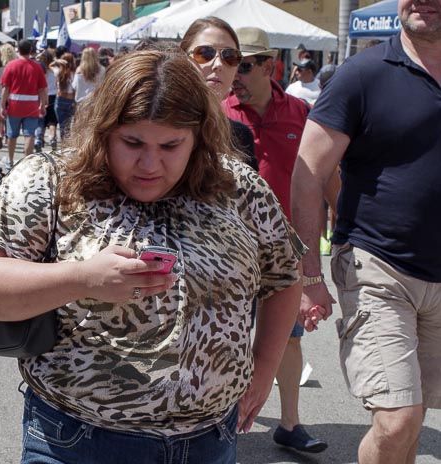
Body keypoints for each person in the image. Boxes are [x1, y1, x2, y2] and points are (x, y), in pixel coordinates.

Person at [0, 50, 305, 463]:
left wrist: (263, 369)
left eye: (170, 145)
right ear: (104, 130)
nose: (149, 163)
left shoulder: (237, 187)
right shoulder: (49, 178)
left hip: (208, 443)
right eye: (133, 142)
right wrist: (83, 278)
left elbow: (284, 277)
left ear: (199, 136)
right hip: (77, 440)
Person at [291, 0, 441, 461]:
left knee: (412, 417)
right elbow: (308, 174)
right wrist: (309, 276)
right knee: (397, 418)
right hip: (376, 266)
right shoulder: (362, 74)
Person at [222, 27, 327, 454]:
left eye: (243, 65)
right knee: (225, 339)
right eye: (230, 64)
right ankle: (219, 423)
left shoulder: (300, 112)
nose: (234, 75)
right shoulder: (217, 113)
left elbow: (323, 178)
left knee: (288, 337)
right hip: (227, 250)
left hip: (284, 252)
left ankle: (289, 423)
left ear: (270, 66)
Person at [179, 17, 257, 170]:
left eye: (230, 56)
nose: (218, 64)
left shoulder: (240, 135)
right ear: (182, 59)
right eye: (204, 53)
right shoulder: (161, 122)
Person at [0, 39, 47, 167]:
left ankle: (10, 160)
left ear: (18, 50)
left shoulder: (11, 65)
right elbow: (42, 89)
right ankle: (27, 162)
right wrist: (43, 104)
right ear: (31, 50)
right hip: (31, 105)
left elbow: (5, 88)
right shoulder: (37, 67)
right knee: (29, 134)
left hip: (14, 104)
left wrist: (2, 105)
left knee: (12, 135)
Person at [34, 50, 58, 151]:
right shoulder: (55, 70)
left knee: (41, 119)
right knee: (52, 120)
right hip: (53, 95)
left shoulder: (39, 70)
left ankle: (40, 139)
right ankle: (52, 138)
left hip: (41, 95)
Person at [52, 52, 75, 139]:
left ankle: (63, 142)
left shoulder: (58, 71)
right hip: (70, 99)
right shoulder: (74, 73)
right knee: (68, 126)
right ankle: (66, 143)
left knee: (62, 125)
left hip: (60, 99)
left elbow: (50, 65)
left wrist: (58, 61)